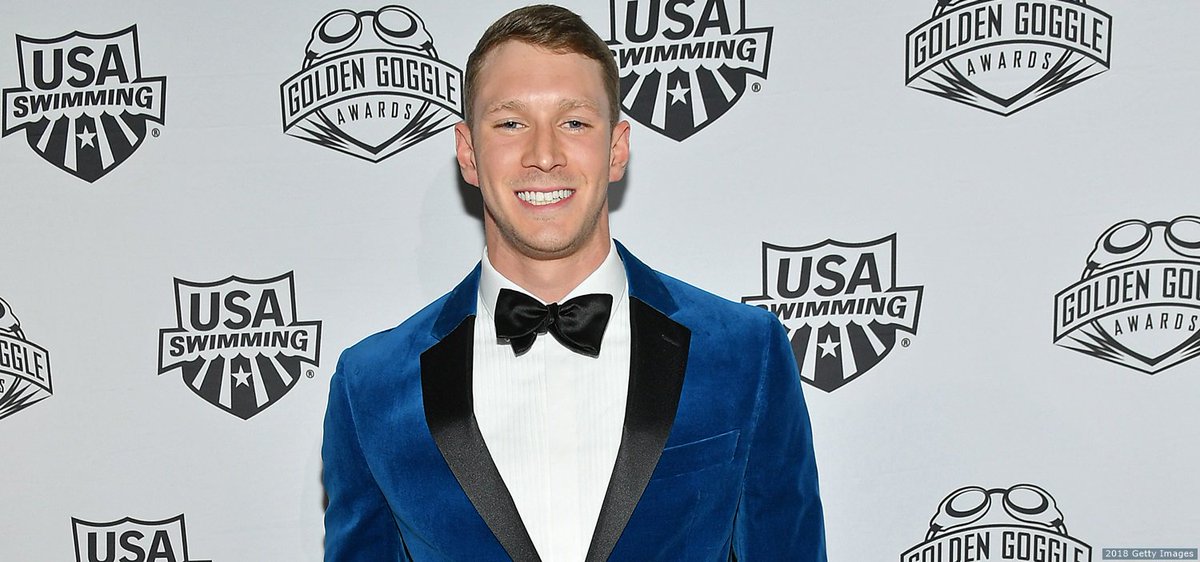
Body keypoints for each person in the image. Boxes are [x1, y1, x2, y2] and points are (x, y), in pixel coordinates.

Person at [321, 4, 825, 561]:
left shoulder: (745, 353)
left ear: (617, 149)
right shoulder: (370, 387)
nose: (544, 156)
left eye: (575, 122)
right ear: (468, 153)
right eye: (511, 123)